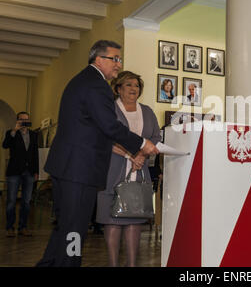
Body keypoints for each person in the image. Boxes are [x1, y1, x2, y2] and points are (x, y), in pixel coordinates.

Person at [36, 40, 159, 267]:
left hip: (69, 166)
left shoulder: (85, 80)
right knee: (75, 229)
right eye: (115, 59)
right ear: (99, 59)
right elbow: (109, 126)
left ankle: (50, 264)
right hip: (79, 170)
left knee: (65, 225)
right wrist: (142, 143)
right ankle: (68, 264)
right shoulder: (96, 85)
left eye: (119, 59)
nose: (118, 65)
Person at [96, 71, 161, 267]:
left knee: (134, 218)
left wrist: (142, 155)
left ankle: (132, 264)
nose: (134, 89)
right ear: (118, 89)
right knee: (112, 218)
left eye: (137, 85)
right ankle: (113, 263)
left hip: (140, 171)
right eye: (128, 85)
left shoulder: (147, 111)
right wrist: (128, 155)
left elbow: (156, 137)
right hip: (112, 170)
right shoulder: (109, 109)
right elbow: (102, 138)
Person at [2, 112, 39, 237]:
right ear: (18, 120)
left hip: (29, 172)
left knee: (26, 201)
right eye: (21, 120)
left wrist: (36, 171)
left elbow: (35, 154)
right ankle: (10, 228)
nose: (24, 122)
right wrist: (14, 130)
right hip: (14, 172)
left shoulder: (34, 135)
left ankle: (23, 227)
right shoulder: (11, 133)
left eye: (26, 120)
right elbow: (5, 145)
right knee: (11, 201)